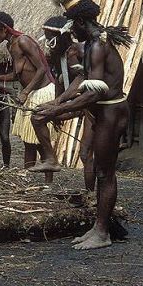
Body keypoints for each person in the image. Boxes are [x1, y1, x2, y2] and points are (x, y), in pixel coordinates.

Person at [32, 0, 132, 249]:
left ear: (78, 22)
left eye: (70, 25)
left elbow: (94, 94)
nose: (71, 31)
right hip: (104, 111)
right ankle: (99, 227)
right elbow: (83, 78)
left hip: (110, 111)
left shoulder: (98, 45)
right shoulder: (91, 44)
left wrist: (57, 111)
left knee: (105, 172)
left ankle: (102, 233)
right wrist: (60, 101)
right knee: (101, 171)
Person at [0, 11, 58, 183]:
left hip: (42, 92)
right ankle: (28, 177)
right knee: (28, 139)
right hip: (31, 93)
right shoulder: (11, 46)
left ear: (4, 29)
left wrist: (25, 92)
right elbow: (18, 75)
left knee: (40, 140)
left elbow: (41, 69)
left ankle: (48, 183)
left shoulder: (23, 41)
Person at [41, 16, 95, 192]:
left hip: (92, 106)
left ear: (63, 36)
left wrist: (58, 102)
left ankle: (90, 195)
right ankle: (50, 165)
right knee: (38, 116)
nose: (48, 43)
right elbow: (59, 80)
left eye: (50, 39)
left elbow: (81, 78)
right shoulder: (58, 56)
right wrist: (56, 108)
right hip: (74, 105)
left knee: (85, 154)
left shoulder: (79, 52)